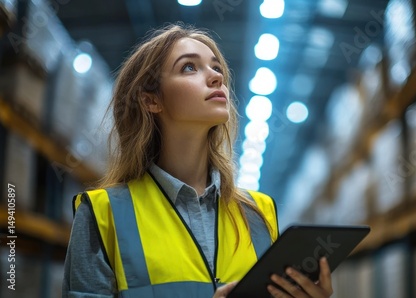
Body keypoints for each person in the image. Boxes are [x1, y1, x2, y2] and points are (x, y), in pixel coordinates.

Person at [62, 23, 334, 298]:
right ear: (151, 100)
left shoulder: (260, 214)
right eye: (189, 67)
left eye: (217, 68)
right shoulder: (102, 213)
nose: (216, 77)